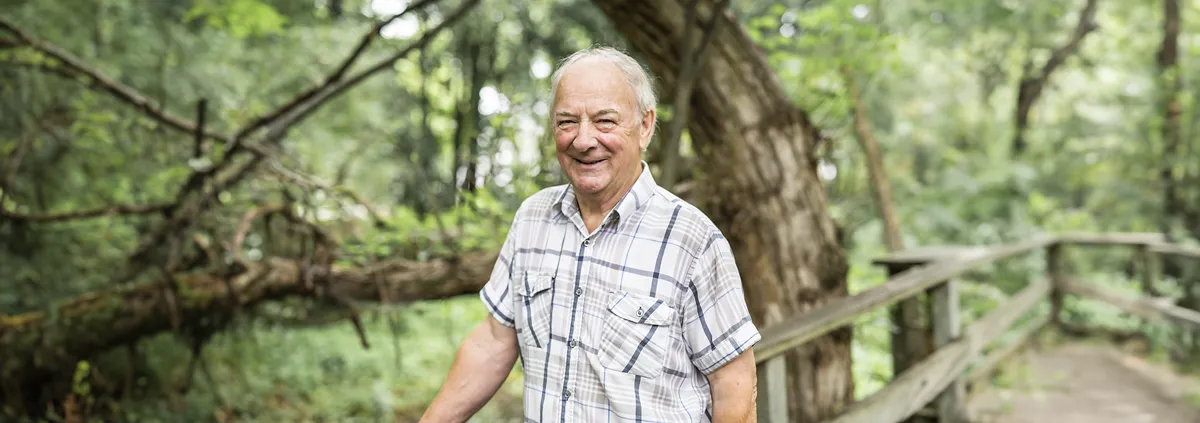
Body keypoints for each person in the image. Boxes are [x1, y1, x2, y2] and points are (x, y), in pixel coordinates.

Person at [420, 46, 760, 423]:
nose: (583, 140)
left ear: (644, 126)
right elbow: (495, 341)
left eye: (604, 121)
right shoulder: (533, 219)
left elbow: (734, 381)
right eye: (567, 121)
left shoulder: (693, 240)